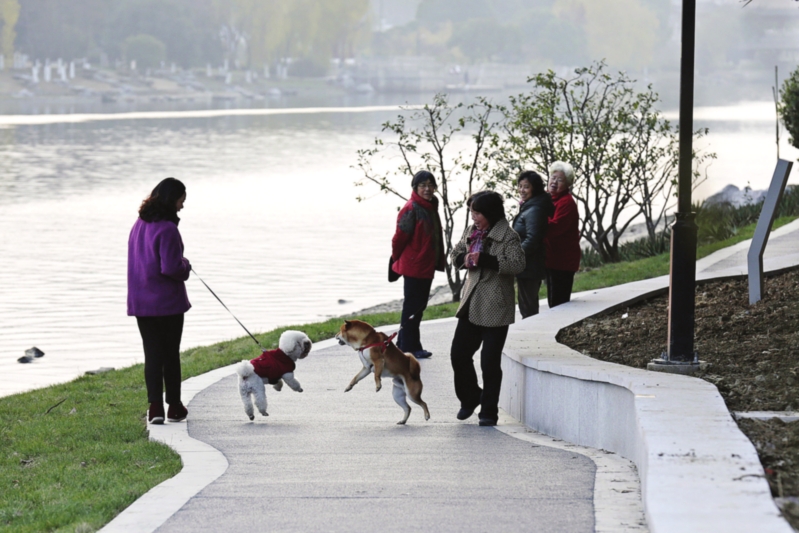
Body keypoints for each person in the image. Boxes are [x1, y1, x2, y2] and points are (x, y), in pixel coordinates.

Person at [449, 191, 525, 426]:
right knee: (459, 355)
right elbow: (455, 253)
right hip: (471, 302)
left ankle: (489, 412)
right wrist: (464, 258)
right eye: (472, 211)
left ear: (490, 213)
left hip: (496, 306)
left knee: (489, 363)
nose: (473, 217)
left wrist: (484, 260)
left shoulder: (508, 237)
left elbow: (518, 264)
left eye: (477, 212)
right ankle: (471, 398)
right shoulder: (472, 231)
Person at [128, 177, 191, 425]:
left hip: (142, 302)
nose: (182, 207)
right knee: (170, 355)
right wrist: (186, 266)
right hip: (167, 304)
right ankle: (174, 406)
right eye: (180, 201)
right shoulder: (168, 229)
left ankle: (155, 408)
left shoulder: (138, 224)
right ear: (171, 199)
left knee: (152, 354)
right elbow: (172, 267)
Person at [390, 170, 446, 359]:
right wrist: (395, 259)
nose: (428, 189)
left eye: (431, 185)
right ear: (415, 188)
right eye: (423, 185)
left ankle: (403, 343)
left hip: (425, 264)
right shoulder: (411, 208)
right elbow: (399, 238)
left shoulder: (430, 206)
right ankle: (410, 347)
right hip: (414, 264)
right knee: (413, 308)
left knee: (417, 307)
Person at [512, 170, 554, 318]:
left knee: (528, 307)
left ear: (535, 188)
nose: (522, 190)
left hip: (531, 264)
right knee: (526, 304)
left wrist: (515, 255)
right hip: (527, 264)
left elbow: (533, 239)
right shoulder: (530, 206)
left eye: (526, 187)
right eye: (520, 186)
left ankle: (531, 334)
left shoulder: (535, 209)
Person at [544, 161, 581, 308]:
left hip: (563, 261)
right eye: (553, 178)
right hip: (551, 258)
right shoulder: (547, 198)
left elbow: (555, 228)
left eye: (559, 180)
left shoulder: (567, 203)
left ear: (567, 184)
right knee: (552, 300)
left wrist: (537, 219)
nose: (554, 182)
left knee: (559, 304)